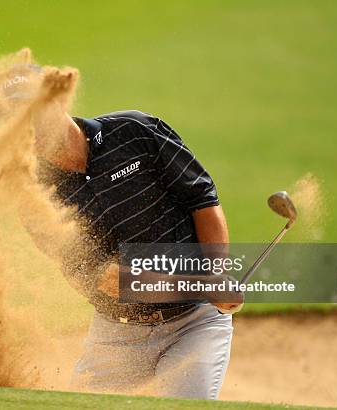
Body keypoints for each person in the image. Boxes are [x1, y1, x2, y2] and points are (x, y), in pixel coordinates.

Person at [35, 108, 242, 399]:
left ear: (57, 100)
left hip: (194, 323)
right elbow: (105, 279)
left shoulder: (133, 130)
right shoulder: (37, 196)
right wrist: (200, 285)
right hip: (117, 335)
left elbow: (201, 197)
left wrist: (216, 276)